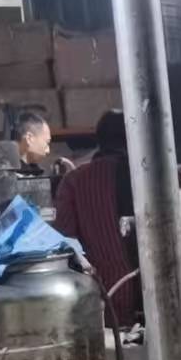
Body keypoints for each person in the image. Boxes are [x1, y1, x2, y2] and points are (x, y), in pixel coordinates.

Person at [54, 111, 138, 324]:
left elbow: (66, 244)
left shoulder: (74, 181)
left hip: (109, 302)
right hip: (167, 296)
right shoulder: (159, 175)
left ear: (99, 140)